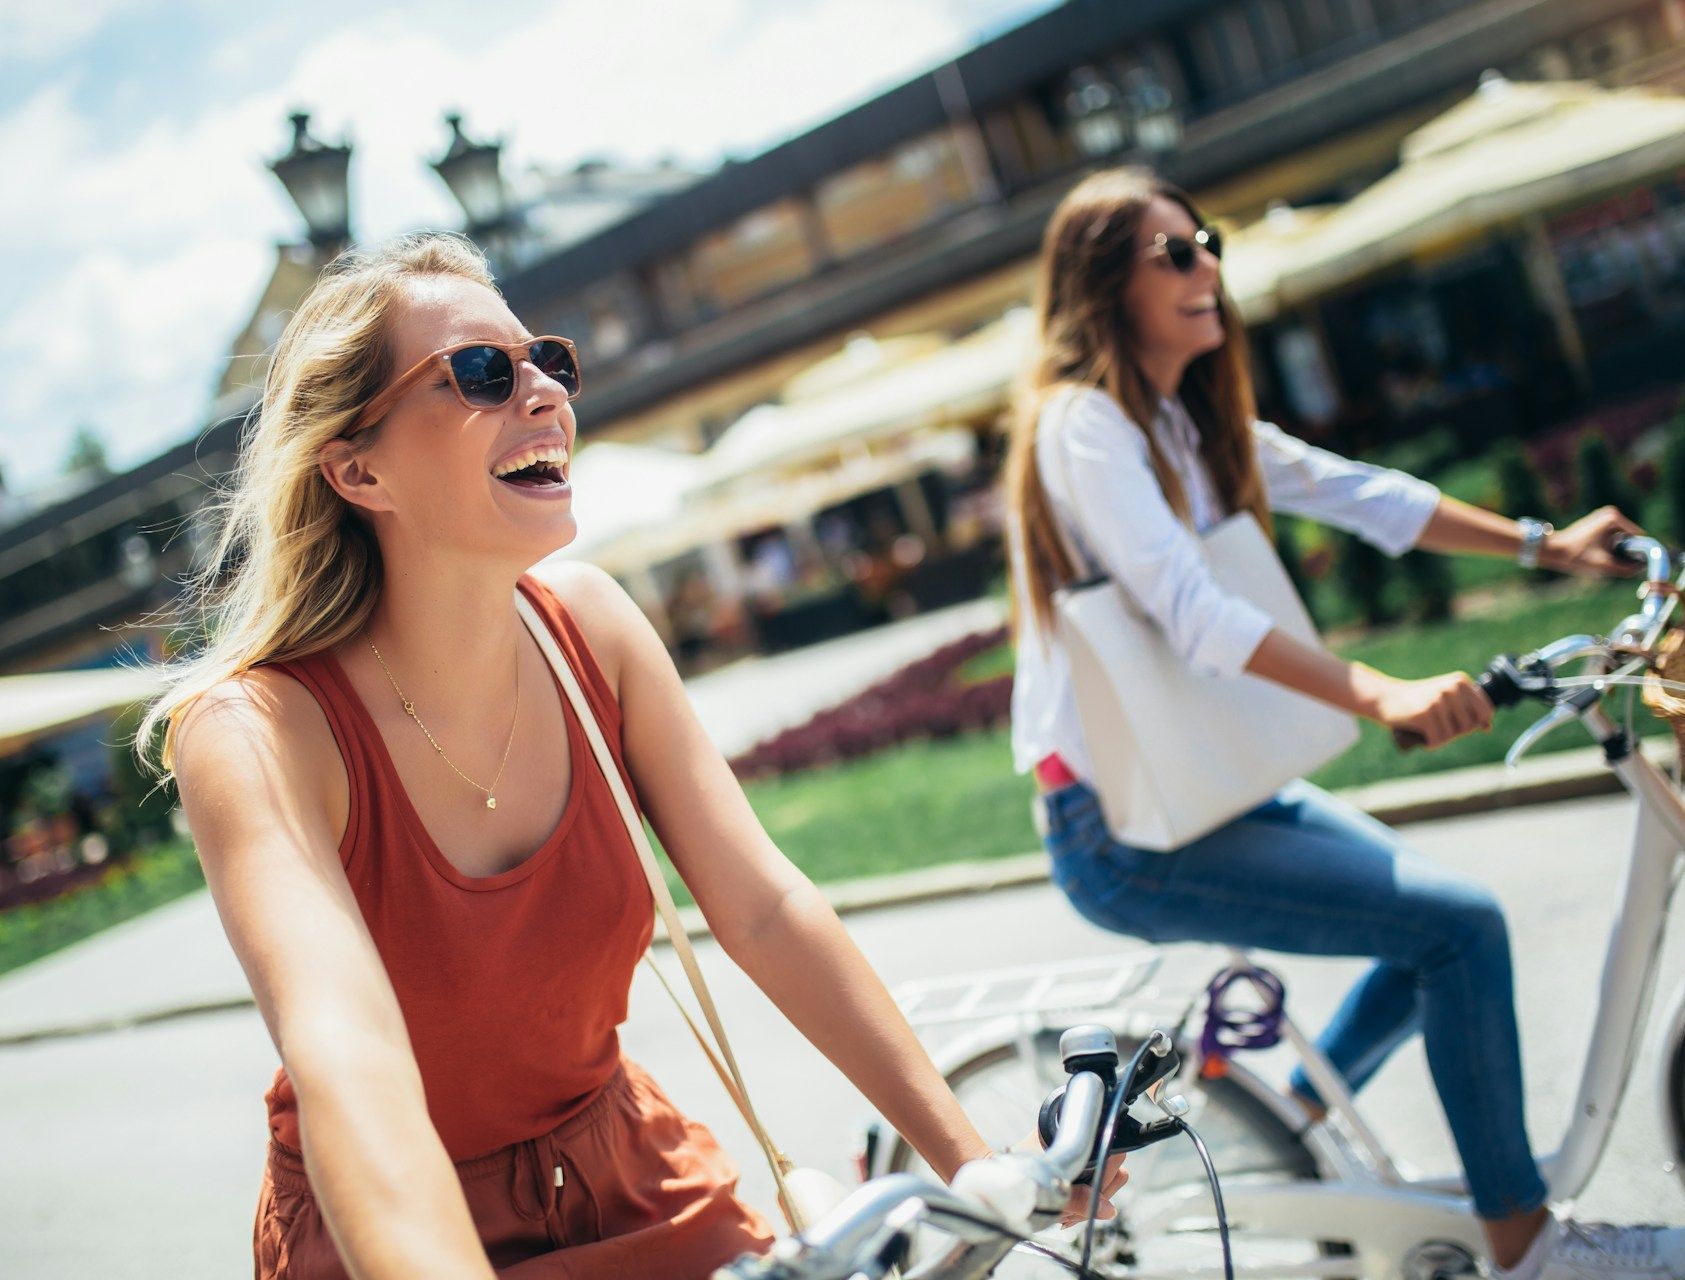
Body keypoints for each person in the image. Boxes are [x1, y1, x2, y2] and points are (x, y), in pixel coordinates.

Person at [139, 232, 1115, 1280]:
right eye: (480, 373)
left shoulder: (592, 629)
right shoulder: (255, 731)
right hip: (395, 1229)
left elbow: (764, 909)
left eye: (548, 360)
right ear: (358, 467)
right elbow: (349, 1061)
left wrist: (976, 1168)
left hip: (633, 1186)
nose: (545, 393)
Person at [1002, 168, 1685, 1280]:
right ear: (1103, 287)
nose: (1206, 267)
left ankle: (1278, 1128)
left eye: (1208, 239)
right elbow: (1191, 614)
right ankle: (1525, 1247)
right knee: (1459, 927)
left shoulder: (1189, 420)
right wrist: (1379, 691)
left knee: (1439, 929)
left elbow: (1362, 493)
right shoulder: (1084, 426)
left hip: (1207, 785)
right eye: (1173, 253)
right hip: (1123, 827)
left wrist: (1546, 545)